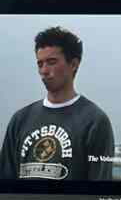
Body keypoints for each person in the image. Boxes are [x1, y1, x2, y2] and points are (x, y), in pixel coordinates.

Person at [0, 26, 114, 180]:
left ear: (73, 64)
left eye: (51, 62)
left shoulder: (94, 121)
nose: (44, 71)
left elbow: (100, 191)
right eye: (40, 64)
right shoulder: (20, 120)